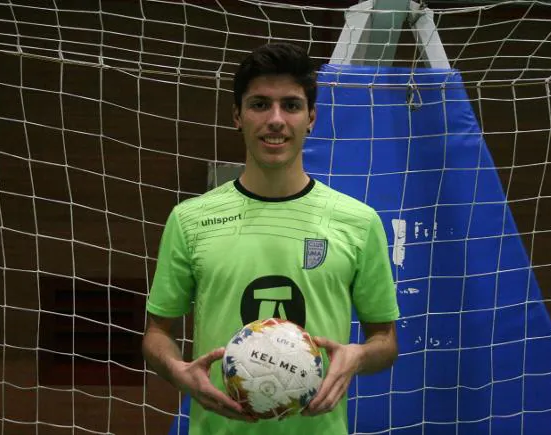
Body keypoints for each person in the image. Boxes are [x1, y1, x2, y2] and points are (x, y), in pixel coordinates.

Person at [142, 42, 400, 435]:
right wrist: (177, 371)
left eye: (291, 106)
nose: (276, 119)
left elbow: (385, 340)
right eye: (260, 104)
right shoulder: (190, 219)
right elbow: (157, 334)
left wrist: (358, 356)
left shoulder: (358, 222)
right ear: (237, 116)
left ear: (311, 117)